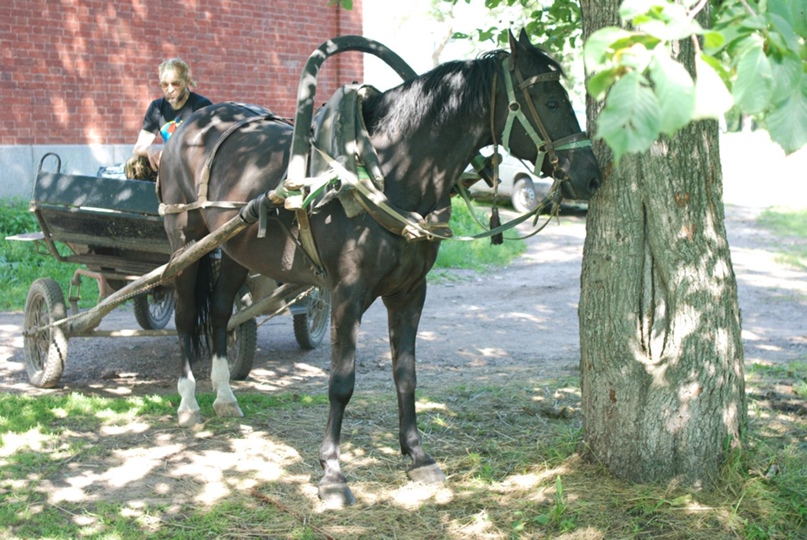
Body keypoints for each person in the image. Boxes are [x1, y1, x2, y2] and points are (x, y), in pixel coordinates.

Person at [124, 58, 212, 180]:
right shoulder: (157, 107)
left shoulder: (201, 105)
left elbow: (207, 147)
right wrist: (151, 149)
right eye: (165, 85)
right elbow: (138, 147)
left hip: (192, 163)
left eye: (175, 84)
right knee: (134, 164)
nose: (170, 90)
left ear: (186, 81)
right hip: (167, 160)